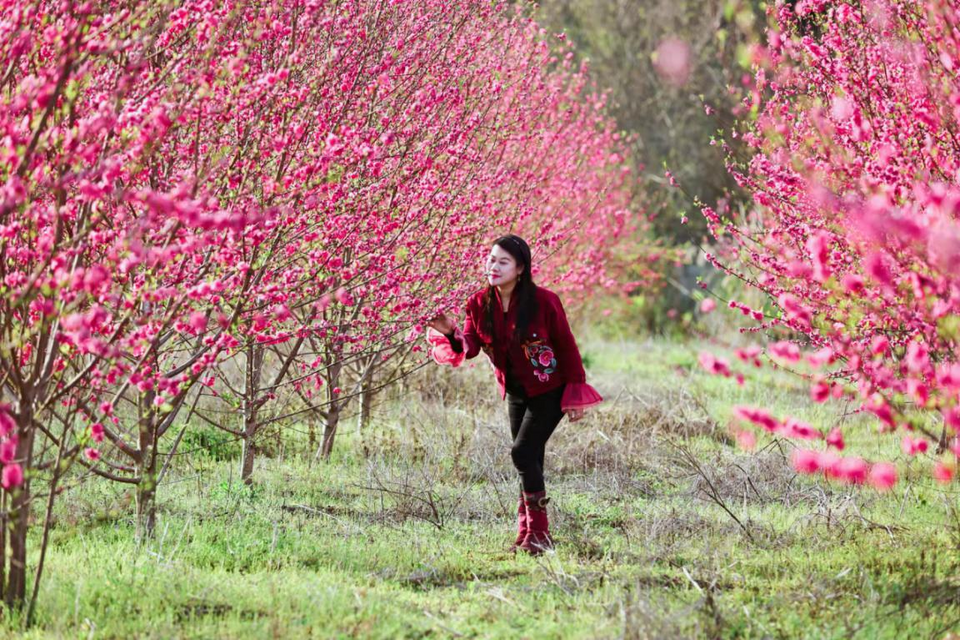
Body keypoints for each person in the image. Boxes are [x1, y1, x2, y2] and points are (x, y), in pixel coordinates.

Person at [425, 234, 603, 555]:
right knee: (531, 459)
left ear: (520, 268)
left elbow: (566, 345)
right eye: (491, 259)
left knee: (521, 453)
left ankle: (540, 534)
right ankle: (528, 533)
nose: (493, 266)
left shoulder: (544, 301)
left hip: (550, 390)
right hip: (515, 393)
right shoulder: (478, 303)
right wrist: (451, 333)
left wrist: (576, 391)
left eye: (503, 262)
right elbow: (470, 348)